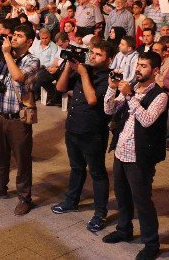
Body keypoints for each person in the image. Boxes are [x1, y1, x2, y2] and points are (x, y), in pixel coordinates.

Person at [103, 51, 169, 260]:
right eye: (138, 65)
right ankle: (124, 230)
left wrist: (130, 96)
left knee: (142, 201)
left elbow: (147, 120)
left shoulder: (160, 95)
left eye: (144, 66)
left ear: (155, 70)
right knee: (122, 196)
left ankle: (151, 243)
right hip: (121, 151)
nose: (139, 69)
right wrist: (111, 89)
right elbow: (109, 109)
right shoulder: (131, 87)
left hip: (140, 156)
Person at [0, 23, 40, 216]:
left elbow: (18, 77)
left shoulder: (32, 60)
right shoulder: (3, 56)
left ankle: (24, 198)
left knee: (22, 160)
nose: (14, 38)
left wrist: (6, 54)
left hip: (17, 119)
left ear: (29, 42)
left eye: (19, 36)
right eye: (13, 35)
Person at [53, 41, 114, 233]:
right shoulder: (82, 70)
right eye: (93, 53)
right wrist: (68, 68)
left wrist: (83, 74)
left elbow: (92, 99)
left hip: (93, 133)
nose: (94, 57)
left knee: (97, 173)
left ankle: (100, 213)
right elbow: (60, 88)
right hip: (73, 128)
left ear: (109, 59)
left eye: (99, 55)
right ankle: (71, 201)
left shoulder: (110, 79)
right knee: (76, 168)